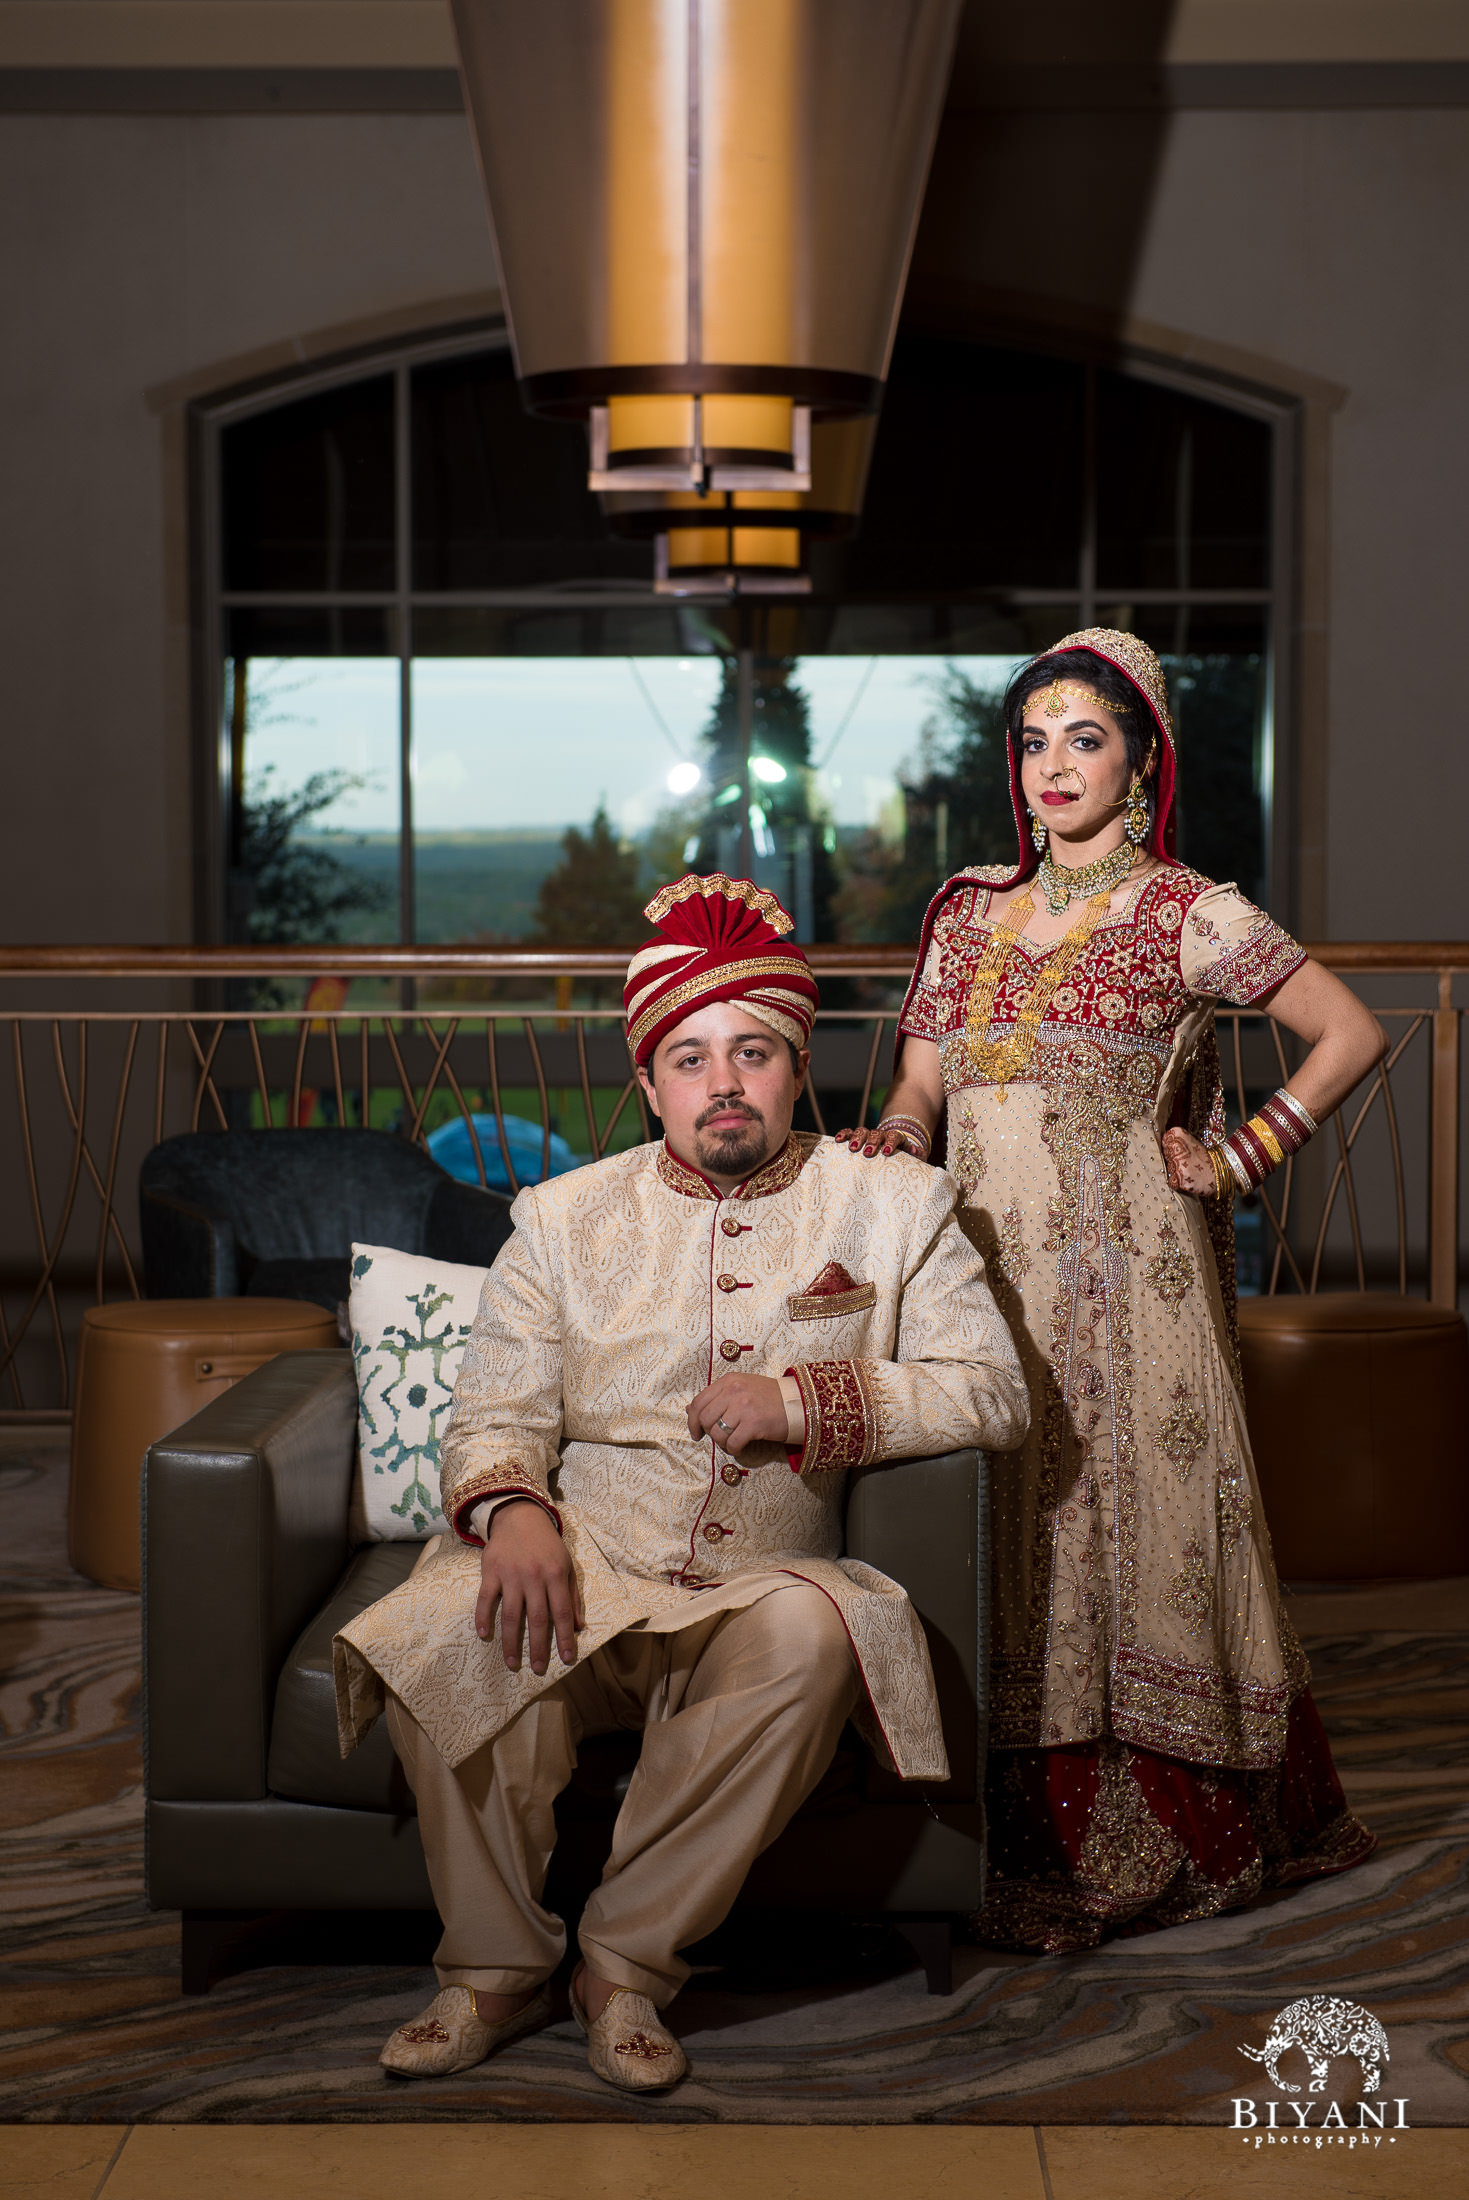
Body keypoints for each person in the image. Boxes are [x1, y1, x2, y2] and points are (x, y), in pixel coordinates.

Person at [335, 872, 1028, 2087]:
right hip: (582, 1569)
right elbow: (490, 1410)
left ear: (795, 1066)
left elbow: (992, 1391)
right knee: (449, 1613)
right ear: (648, 1082)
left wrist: (807, 1400)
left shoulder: (891, 1201)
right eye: (691, 1058)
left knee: (820, 1632)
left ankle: (624, 1964)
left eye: (751, 1052)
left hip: (753, 1583)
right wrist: (509, 1511)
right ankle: (491, 1969)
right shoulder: (557, 1217)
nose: (723, 1082)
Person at [838, 627, 1384, 1952]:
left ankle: (1156, 1829)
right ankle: (982, 1824)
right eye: (1033, 741)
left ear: (1141, 758)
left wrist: (1246, 1150)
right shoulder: (966, 913)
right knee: (1004, 1525)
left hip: (1135, 1294)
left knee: (1125, 1528)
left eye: (1085, 737)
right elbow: (920, 1083)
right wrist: (899, 1139)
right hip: (978, 1281)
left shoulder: (1187, 910)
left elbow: (1347, 1032)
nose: (1052, 765)